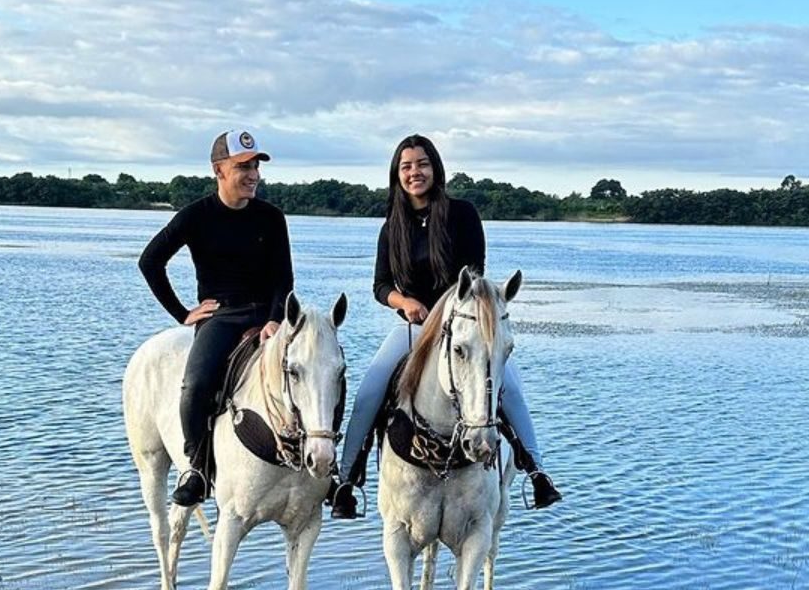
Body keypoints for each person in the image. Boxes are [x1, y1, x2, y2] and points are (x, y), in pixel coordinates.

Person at [331, 134, 562, 519]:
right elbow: (380, 286)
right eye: (406, 167)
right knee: (370, 389)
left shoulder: (463, 214)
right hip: (415, 328)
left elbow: (475, 275)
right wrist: (403, 302)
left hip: (463, 325)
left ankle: (536, 471)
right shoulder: (392, 227)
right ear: (396, 175)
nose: (414, 172)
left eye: (421, 164)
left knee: (511, 388)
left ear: (435, 168)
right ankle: (346, 481)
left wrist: (446, 312)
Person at [139, 129, 294, 506]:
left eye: (256, 165)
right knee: (195, 383)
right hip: (222, 315)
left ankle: (323, 468)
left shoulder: (272, 217)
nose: (253, 173)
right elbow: (150, 262)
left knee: (316, 368)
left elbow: (284, 279)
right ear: (219, 170)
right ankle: (195, 467)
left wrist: (276, 319)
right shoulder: (195, 216)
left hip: (268, 314)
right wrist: (183, 314)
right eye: (243, 166)